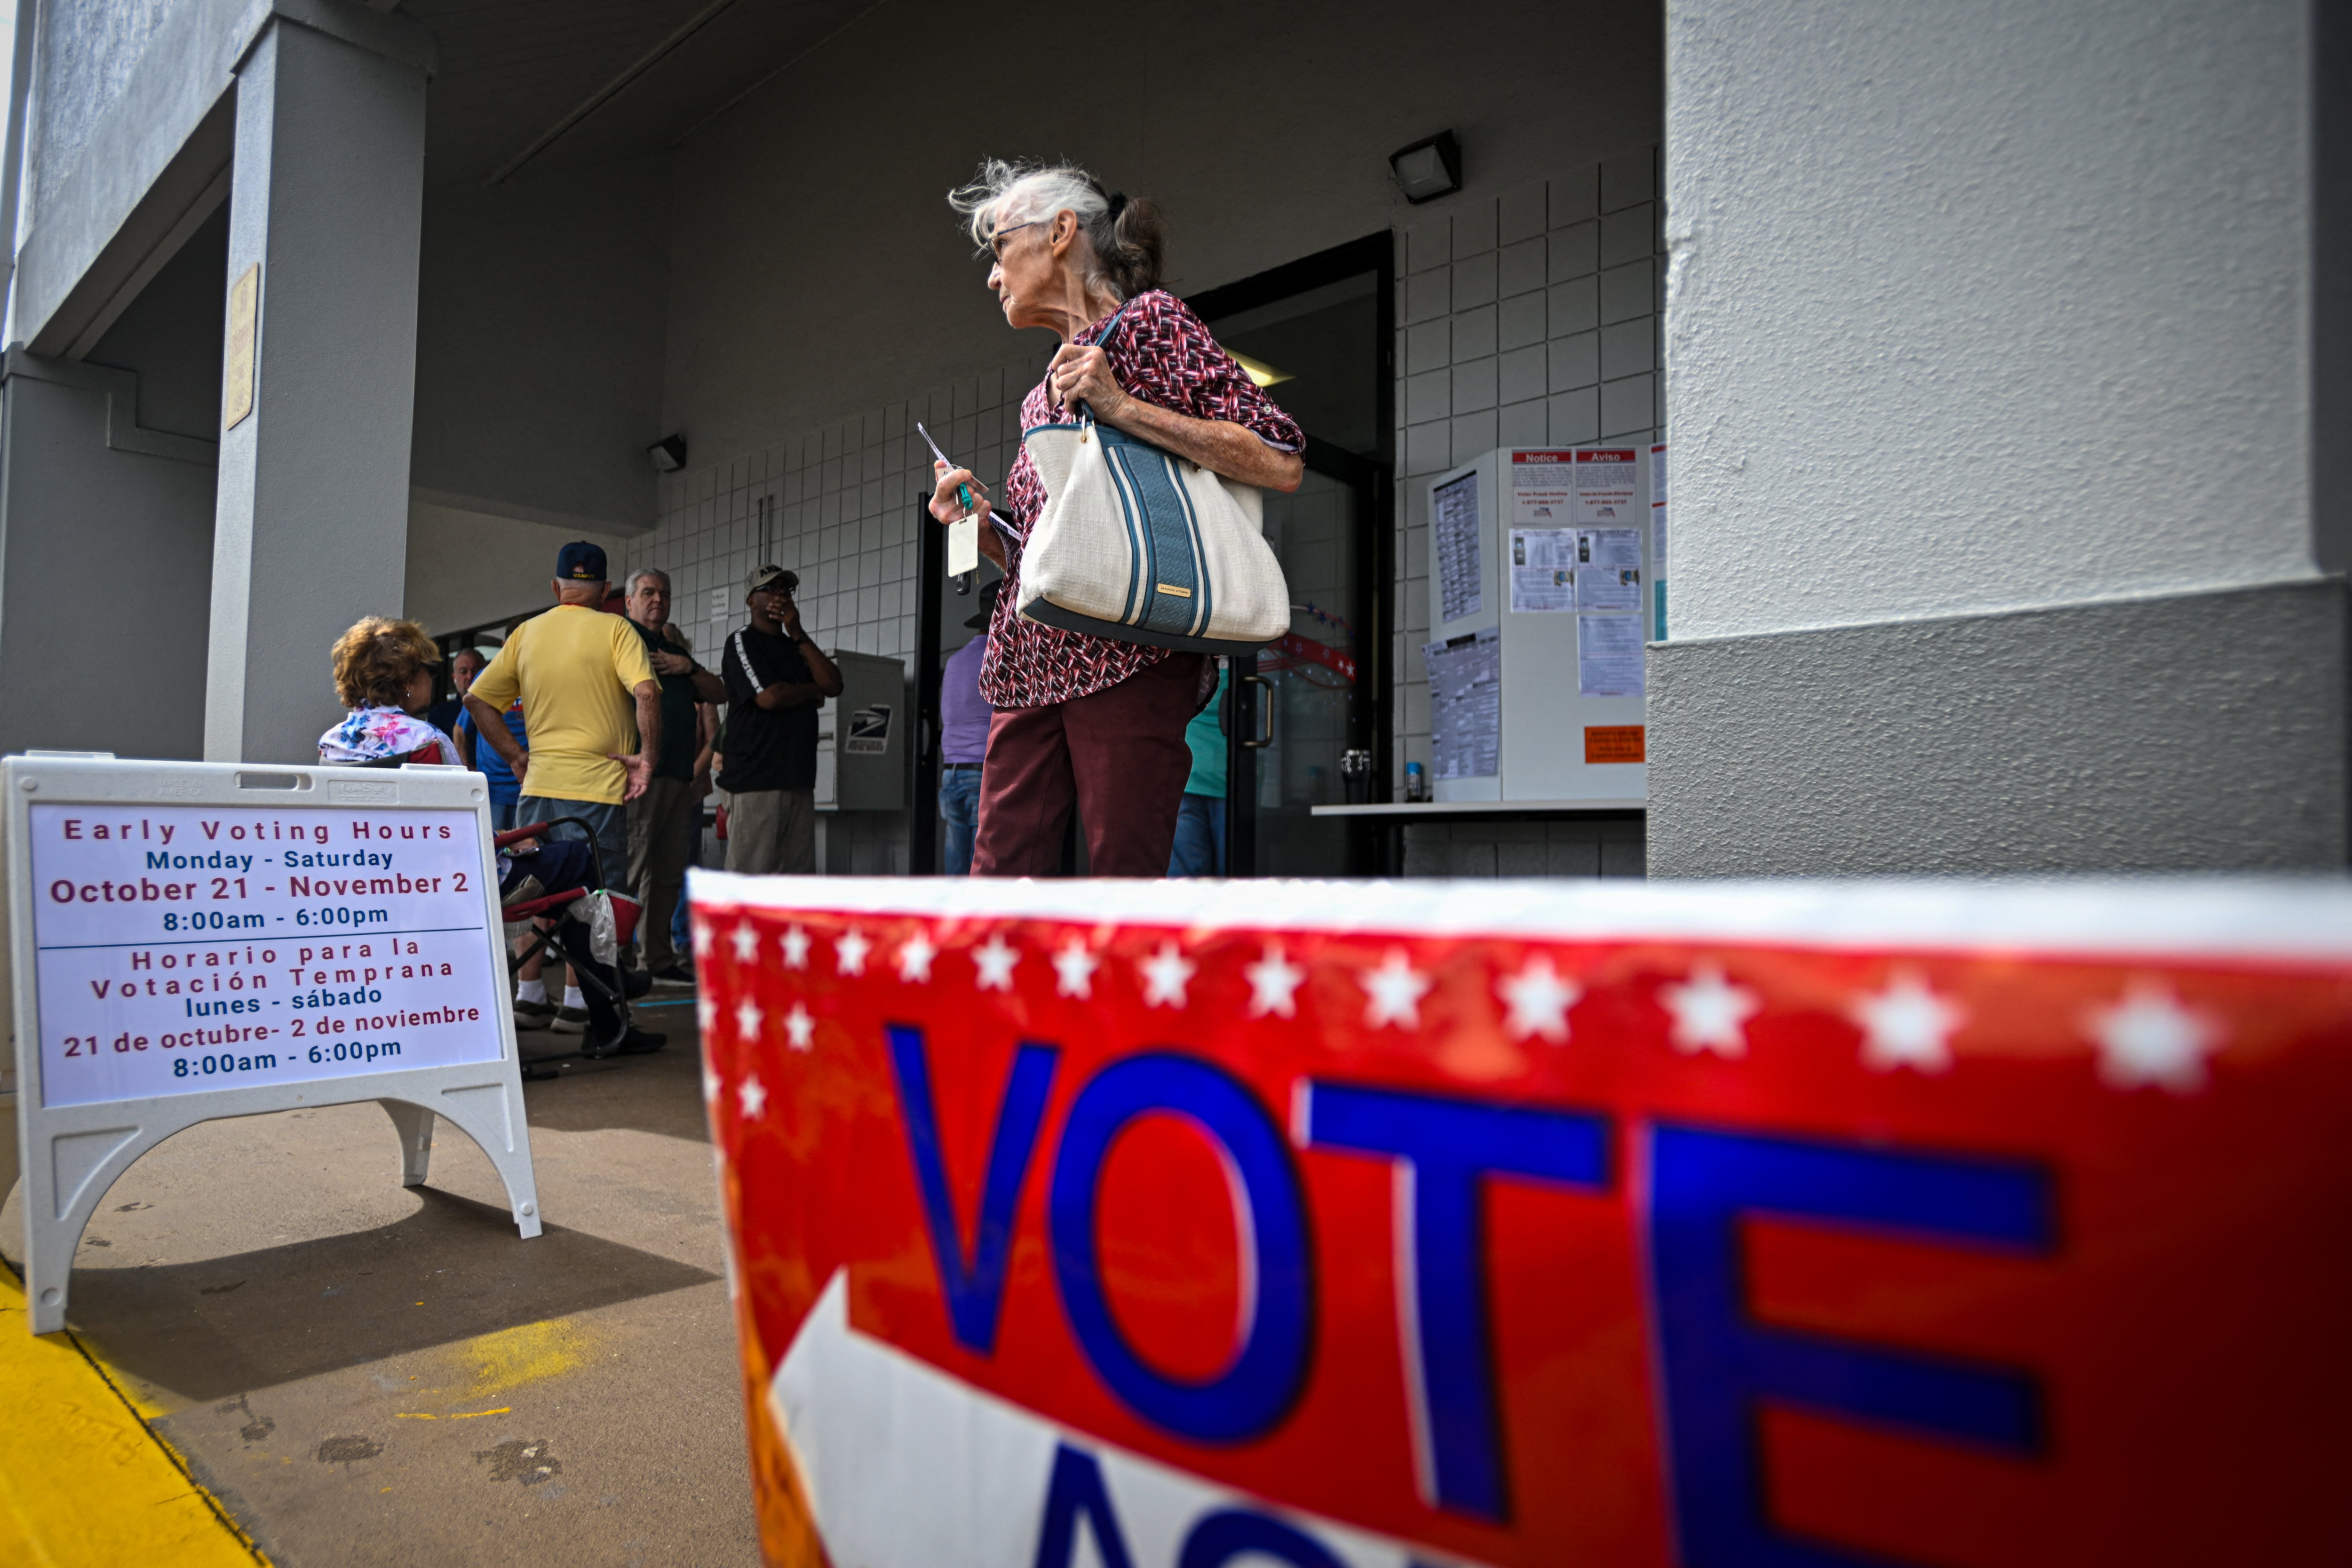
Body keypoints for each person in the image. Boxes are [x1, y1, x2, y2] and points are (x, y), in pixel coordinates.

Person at [932, 161, 1303, 875]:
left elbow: (1280, 457)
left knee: (1120, 875)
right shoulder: (1043, 389)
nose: (991, 275)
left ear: (1061, 232)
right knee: (999, 877)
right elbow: (1071, 555)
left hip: (1127, 650)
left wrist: (1124, 407)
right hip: (1032, 659)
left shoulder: (1149, 323)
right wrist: (980, 531)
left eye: (999, 246)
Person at [464, 541, 664, 1047]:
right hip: (597, 791)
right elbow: (645, 692)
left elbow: (477, 699)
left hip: (540, 790)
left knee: (538, 894)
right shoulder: (617, 628)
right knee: (600, 903)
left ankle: (535, 994)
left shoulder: (528, 633)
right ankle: (590, 1016)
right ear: (603, 593)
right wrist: (647, 759)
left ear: (556, 588)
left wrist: (515, 754)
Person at [620, 570, 726, 983]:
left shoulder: (670, 648)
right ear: (629, 601)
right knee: (631, 870)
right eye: (648, 593)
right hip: (639, 776)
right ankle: (619, 957)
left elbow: (719, 691)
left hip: (679, 777)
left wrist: (687, 665)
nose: (657, 600)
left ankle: (658, 958)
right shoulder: (620, 639)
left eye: (663, 594)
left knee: (667, 872)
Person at [719, 565, 843, 874]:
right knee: (750, 883)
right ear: (751, 600)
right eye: (771, 589)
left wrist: (798, 632)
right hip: (755, 781)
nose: (780, 596)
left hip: (798, 778)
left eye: (786, 590)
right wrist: (810, 690)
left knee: (794, 885)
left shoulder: (795, 646)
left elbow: (834, 685)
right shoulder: (742, 641)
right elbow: (769, 697)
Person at [319, 618, 463, 766]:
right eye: (431, 670)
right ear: (406, 682)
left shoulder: (331, 741)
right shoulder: (427, 740)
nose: (433, 679)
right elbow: (461, 789)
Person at [937, 581, 998, 874]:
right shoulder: (1001, 658)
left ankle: (951, 918)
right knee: (983, 864)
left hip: (952, 774)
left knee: (957, 861)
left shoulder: (955, 660)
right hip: (981, 775)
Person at [1168, 661, 1231, 876]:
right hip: (1230, 782)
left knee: (1185, 882)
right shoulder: (1253, 662)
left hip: (1186, 780)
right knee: (1235, 878)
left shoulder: (1182, 663)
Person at [424, 646, 484, 736]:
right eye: (464, 672)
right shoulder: (439, 715)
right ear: (454, 677)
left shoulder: (500, 708)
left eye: (476, 671)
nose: (470, 676)